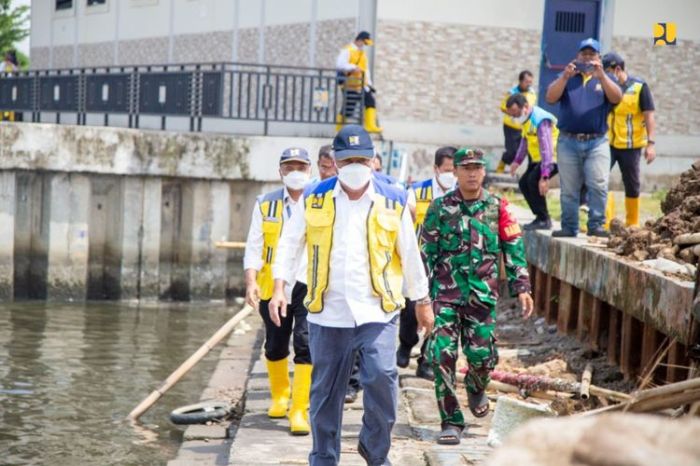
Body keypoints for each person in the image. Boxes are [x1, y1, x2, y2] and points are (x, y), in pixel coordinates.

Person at [270, 125, 433, 465]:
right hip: (328, 312)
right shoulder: (315, 197)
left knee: (383, 380)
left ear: (374, 160)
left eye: (362, 158)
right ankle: (324, 457)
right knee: (325, 394)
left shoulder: (394, 199)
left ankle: (375, 451)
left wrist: (422, 301)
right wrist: (279, 287)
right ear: (336, 162)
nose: (356, 165)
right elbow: (289, 243)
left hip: (378, 310)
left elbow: (410, 252)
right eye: (349, 159)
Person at [420, 148, 533, 446]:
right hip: (445, 296)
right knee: (441, 355)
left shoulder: (499, 207)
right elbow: (425, 255)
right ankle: (451, 421)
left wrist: (522, 287)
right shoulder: (439, 208)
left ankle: (476, 385)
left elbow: (514, 248)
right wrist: (419, 298)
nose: (472, 173)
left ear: (484, 172)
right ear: (454, 172)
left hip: (482, 298)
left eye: (477, 167)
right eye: (465, 167)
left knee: (482, 358)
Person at [243, 147, 313, 435]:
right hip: (274, 285)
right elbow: (254, 246)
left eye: (300, 167)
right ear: (280, 171)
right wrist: (251, 282)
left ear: (310, 171)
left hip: (308, 283)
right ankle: (280, 395)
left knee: (306, 343)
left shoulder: (321, 202)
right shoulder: (266, 204)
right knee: (275, 344)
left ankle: (299, 408)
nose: (295, 172)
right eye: (289, 167)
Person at [545, 38, 623, 238]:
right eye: (584, 54)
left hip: (597, 141)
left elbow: (617, 98)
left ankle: (596, 225)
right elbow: (550, 97)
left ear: (598, 57)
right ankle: (569, 227)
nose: (587, 58)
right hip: (568, 141)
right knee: (569, 188)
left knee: (598, 184)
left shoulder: (606, 78)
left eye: (592, 54)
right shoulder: (567, 76)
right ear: (577, 56)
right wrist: (564, 77)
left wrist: (602, 76)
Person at [399, 146, 457, 380]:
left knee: (440, 313)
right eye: (446, 169)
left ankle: (426, 361)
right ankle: (406, 343)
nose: (451, 174)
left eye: (454, 170)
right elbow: (408, 212)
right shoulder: (418, 191)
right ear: (436, 169)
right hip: (420, 259)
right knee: (412, 309)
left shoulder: (461, 193)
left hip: (448, 262)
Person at [602, 52, 656, 228]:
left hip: (631, 146)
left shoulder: (640, 87)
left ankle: (632, 222)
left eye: (608, 72)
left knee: (631, 183)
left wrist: (651, 143)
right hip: (609, 143)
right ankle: (604, 220)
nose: (606, 76)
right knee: (599, 179)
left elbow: (649, 116)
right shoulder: (606, 88)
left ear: (618, 70)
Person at [506, 94, 560, 230]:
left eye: (516, 113)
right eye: (512, 115)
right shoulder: (526, 120)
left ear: (525, 107)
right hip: (538, 159)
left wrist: (545, 176)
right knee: (523, 183)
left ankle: (544, 219)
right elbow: (524, 142)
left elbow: (546, 147)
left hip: (552, 158)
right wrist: (516, 161)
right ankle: (539, 216)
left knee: (532, 181)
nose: (515, 118)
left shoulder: (540, 119)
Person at [336, 31, 382, 133]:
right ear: (359, 40)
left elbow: (366, 70)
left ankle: (370, 125)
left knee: (370, 101)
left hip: (362, 84)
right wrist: (353, 67)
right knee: (349, 108)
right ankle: (339, 129)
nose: (364, 45)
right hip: (349, 84)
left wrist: (369, 84)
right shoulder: (347, 50)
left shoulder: (362, 54)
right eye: (364, 43)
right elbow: (340, 64)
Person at [497, 71, 537, 173]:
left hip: (524, 127)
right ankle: (501, 165)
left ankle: (525, 171)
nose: (529, 84)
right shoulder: (512, 92)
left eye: (530, 82)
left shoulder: (532, 93)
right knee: (512, 151)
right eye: (527, 81)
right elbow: (503, 106)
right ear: (520, 81)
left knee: (524, 151)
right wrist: (514, 113)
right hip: (511, 126)